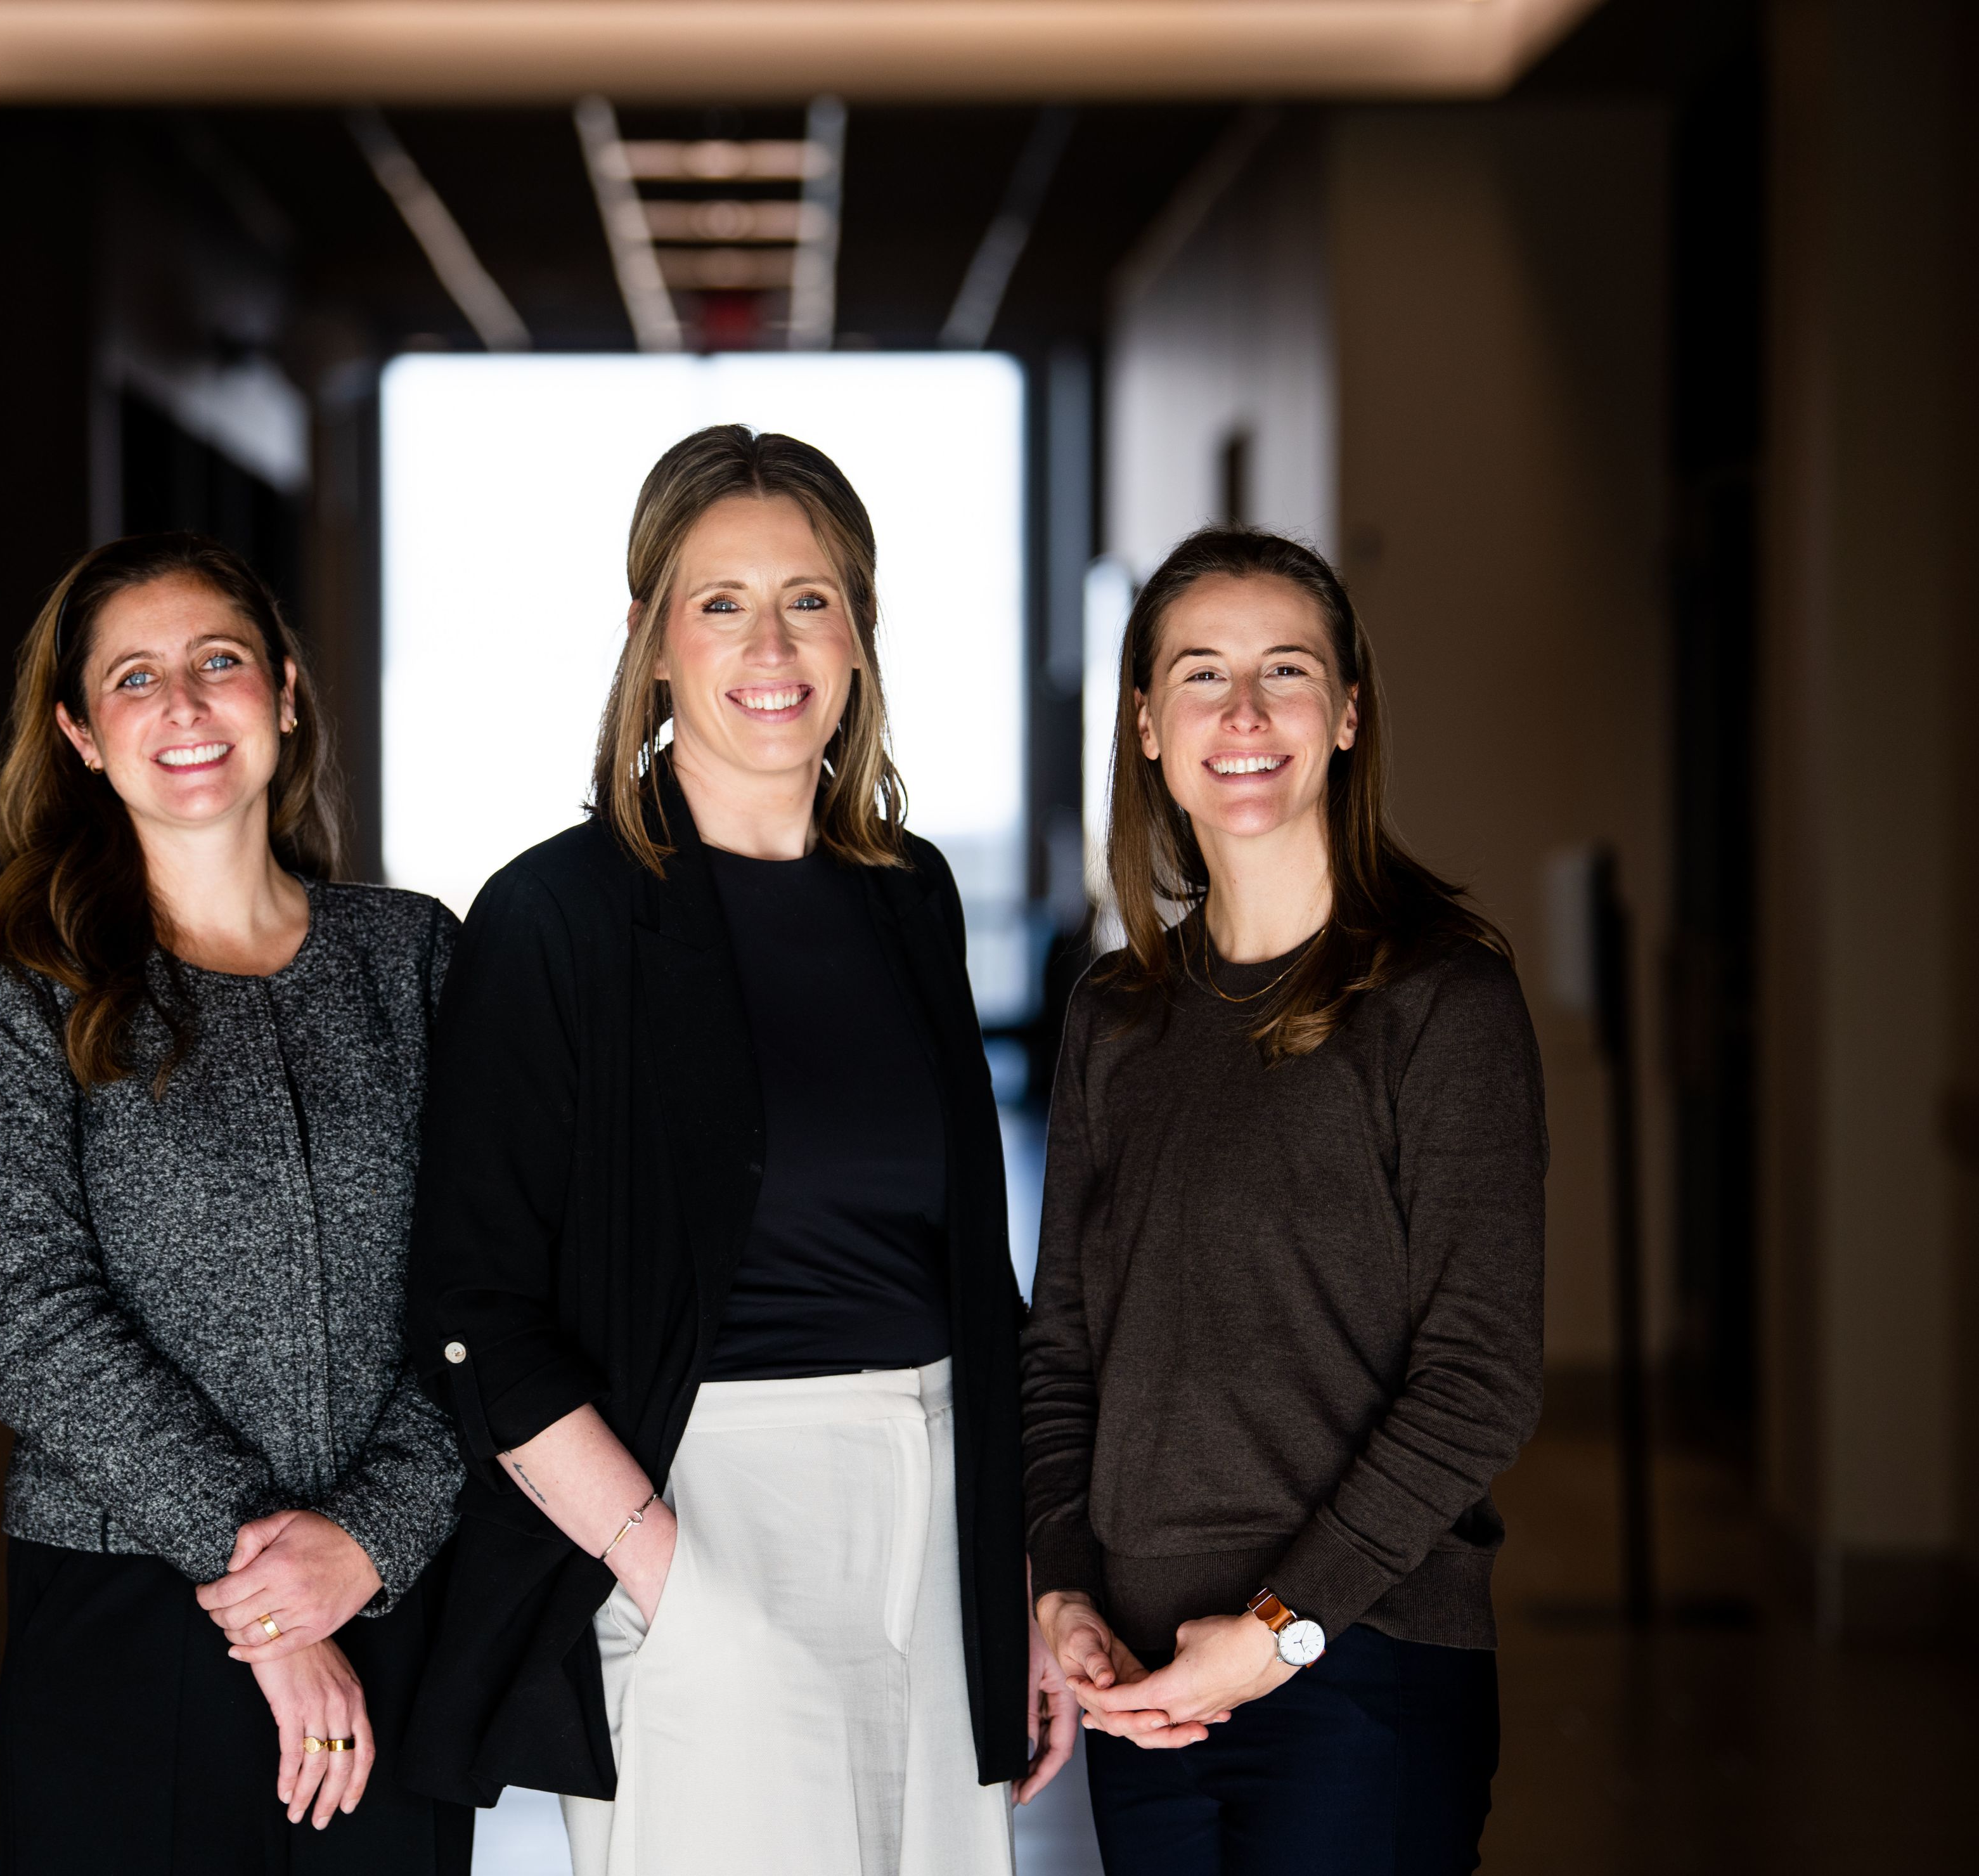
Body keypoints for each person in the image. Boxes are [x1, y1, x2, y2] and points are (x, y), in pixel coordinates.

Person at [402, 425, 1075, 1876]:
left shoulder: (911, 896)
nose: (769, 642)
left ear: (860, 634)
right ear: (649, 640)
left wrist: (1008, 1568)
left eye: (809, 596)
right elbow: (471, 1307)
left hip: (940, 1500)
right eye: (719, 601)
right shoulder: (556, 917)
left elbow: (970, 1269)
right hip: (703, 1504)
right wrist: (664, 1574)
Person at [0, 533, 470, 1874]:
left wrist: (372, 1538)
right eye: (132, 679)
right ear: (79, 735)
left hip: (386, 1592)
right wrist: (268, 1600)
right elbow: (27, 1317)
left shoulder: (410, 957)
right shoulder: (21, 980)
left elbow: (490, 1289)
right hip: (124, 1612)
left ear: (283, 694)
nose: (182, 704)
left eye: (217, 662)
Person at [1022, 527, 1545, 1875]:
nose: (1242, 713)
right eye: (1199, 674)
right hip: (1146, 1684)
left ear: (1348, 712)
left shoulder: (1440, 1000)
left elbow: (1478, 1378)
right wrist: (1062, 1582)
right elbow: (1061, 1348)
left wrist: (1278, 1628)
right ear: (1143, 723)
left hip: (1362, 1664)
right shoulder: (1113, 1015)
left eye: (1285, 671)